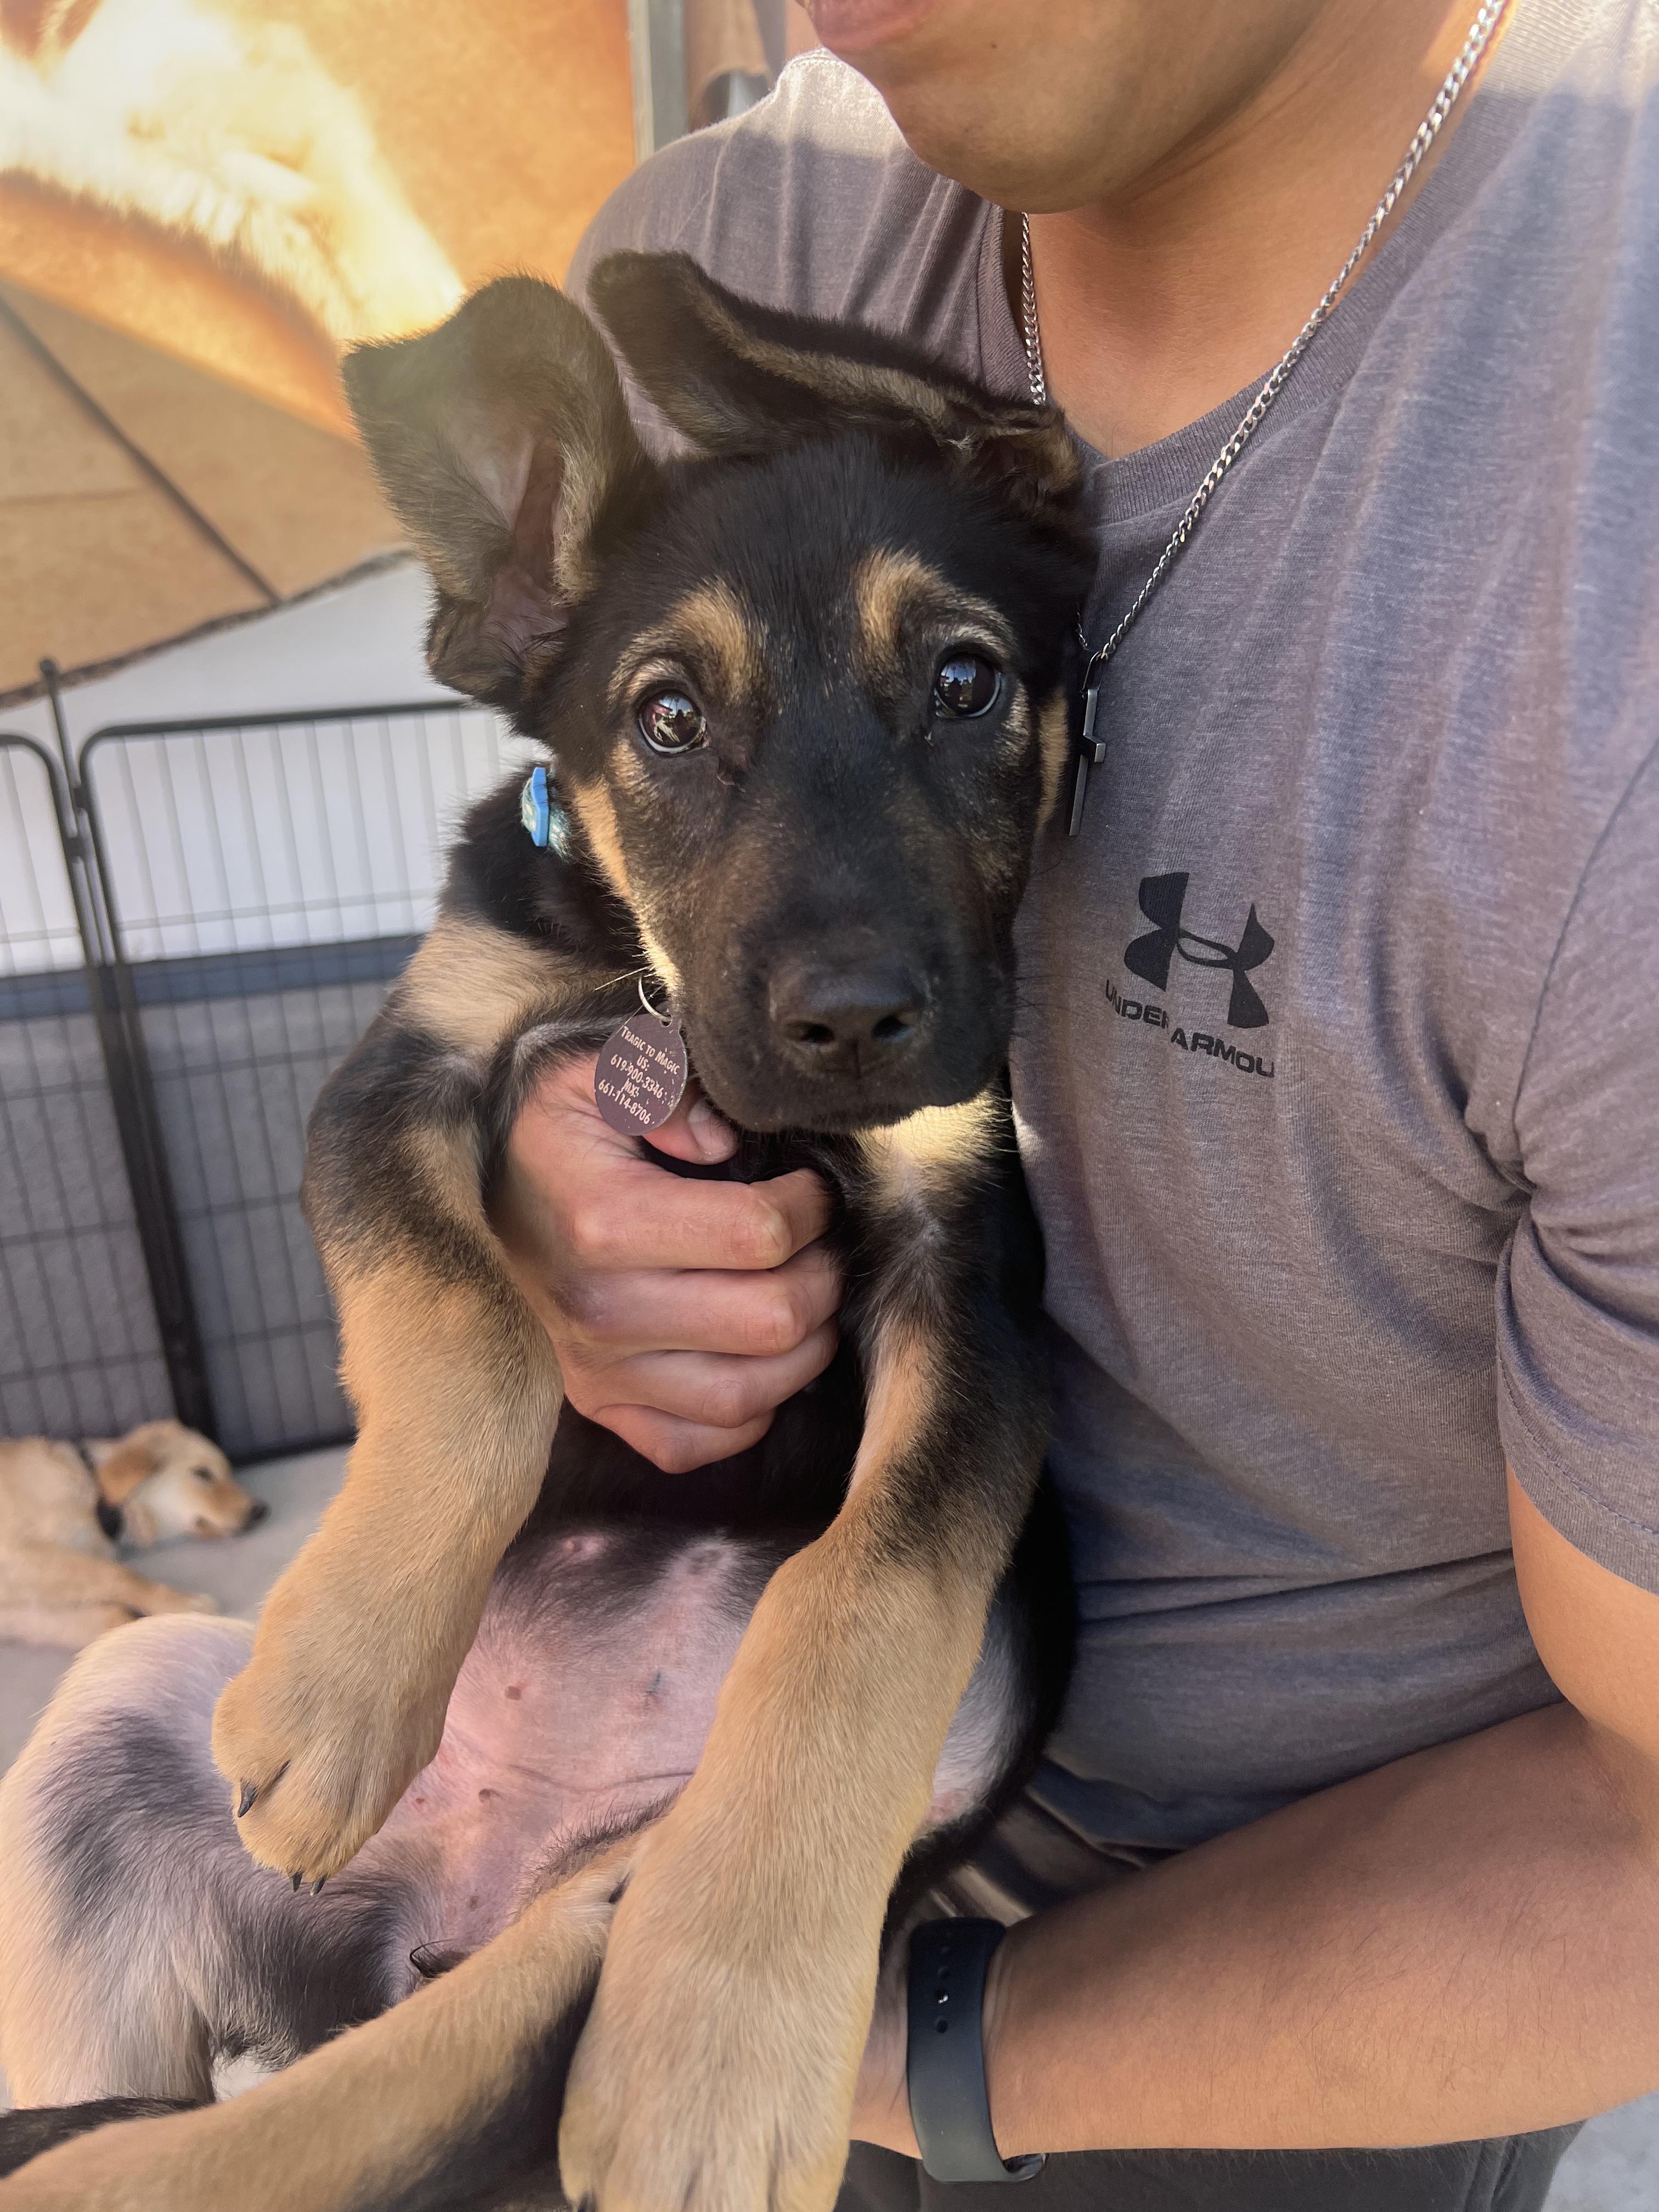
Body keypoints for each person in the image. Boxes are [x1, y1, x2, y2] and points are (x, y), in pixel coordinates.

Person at [490, 2, 1659, 2206]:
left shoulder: (1606, 624)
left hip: (1254, 1963)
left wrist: (911, 2056)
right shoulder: (723, 249)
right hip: (679, 1754)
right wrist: (553, 1155)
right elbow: (558, 874)